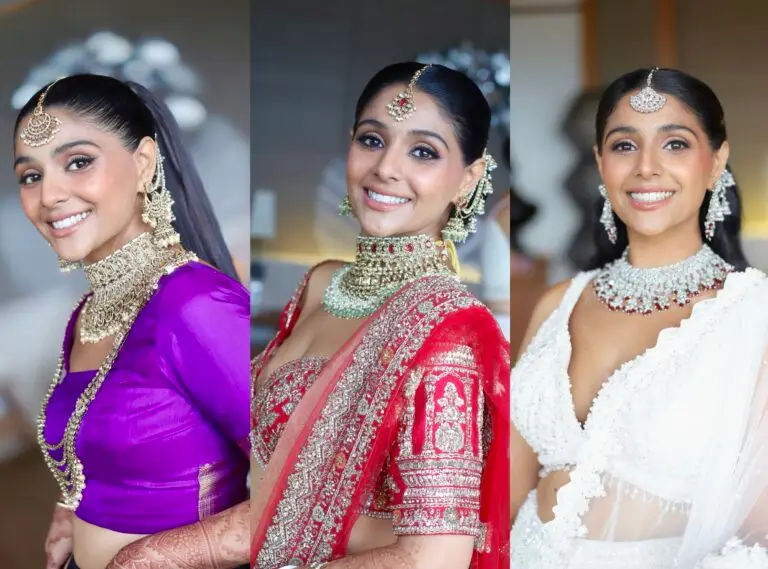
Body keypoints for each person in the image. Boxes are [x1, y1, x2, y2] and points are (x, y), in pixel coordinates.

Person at [251, 62, 510, 569]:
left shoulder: (446, 333)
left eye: (422, 152)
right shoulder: (320, 282)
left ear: (468, 179)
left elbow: (433, 558)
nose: (386, 167)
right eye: (372, 140)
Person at [509, 67, 768, 568]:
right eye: (625, 146)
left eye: (675, 145)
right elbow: (510, 487)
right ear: (600, 164)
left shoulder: (753, 315)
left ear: (716, 162)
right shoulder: (556, 303)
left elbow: (761, 531)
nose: (646, 167)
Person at [13, 74, 251, 569]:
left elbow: (296, 488)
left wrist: (151, 555)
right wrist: (69, 513)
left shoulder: (196, 304)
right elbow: (102, 446)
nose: (49, 195)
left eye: (78, 162)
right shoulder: (88, 313)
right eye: (30, 176)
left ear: (143, 163)